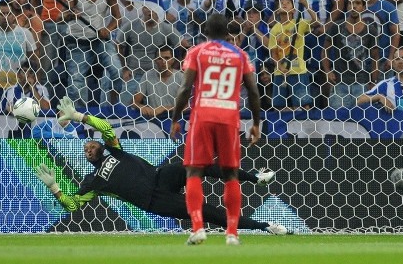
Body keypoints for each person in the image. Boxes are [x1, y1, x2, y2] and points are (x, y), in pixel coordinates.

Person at [35, 98, 285, 236]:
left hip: (161, 177)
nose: (88, 150)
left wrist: (80, 117)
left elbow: (106, 128)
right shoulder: (93, 182)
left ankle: (256, 177)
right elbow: (73, 205)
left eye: (90, 146)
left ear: (98, 145)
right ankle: (265, 227)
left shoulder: (114, 149)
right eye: (85, 151)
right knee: (209, 213)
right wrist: (55, 187)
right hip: (155, 201)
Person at [168, 14, 262, 245]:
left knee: (194, 171)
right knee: (230, 174)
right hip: (229, 117)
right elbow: (253, 91)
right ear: (228, 33)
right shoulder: (239, 54)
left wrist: (175, 118)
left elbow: (184, 89)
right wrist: (256, 124)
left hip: (203, 115)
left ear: (206, 32)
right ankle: (232, 233)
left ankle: (198, 228)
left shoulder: (197, 52)